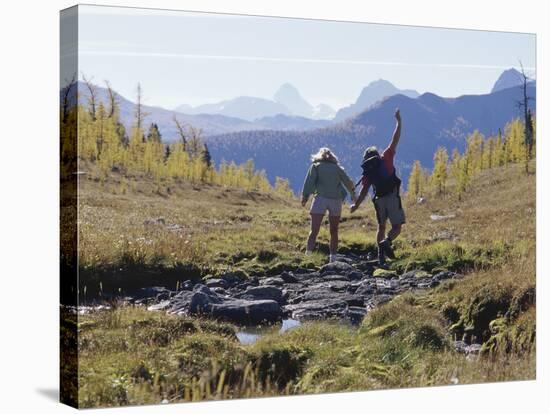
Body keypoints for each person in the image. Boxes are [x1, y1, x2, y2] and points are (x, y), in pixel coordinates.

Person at [350, 109, 405, 266]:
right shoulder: (386, 157)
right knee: (396, 227)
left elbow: (364, 191)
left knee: (381, 227)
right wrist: (399, 122)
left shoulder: (368, 171)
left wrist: (356, 205)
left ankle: (381, 257)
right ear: (377, 154)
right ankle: (386, 242)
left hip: (379, 200)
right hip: (392, 197)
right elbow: (395, 139)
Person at [301, 147, 357, 263]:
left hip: (320, 199)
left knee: (314, 230)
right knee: (334, 230)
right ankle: (333, 257)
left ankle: (308, 255)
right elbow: (347, 181)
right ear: (332, 157)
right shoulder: (337, 168)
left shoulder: (316, 166)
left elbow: (309, 182)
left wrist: (305, 197)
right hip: (335, 200)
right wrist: (353, 195)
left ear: (319, 156)